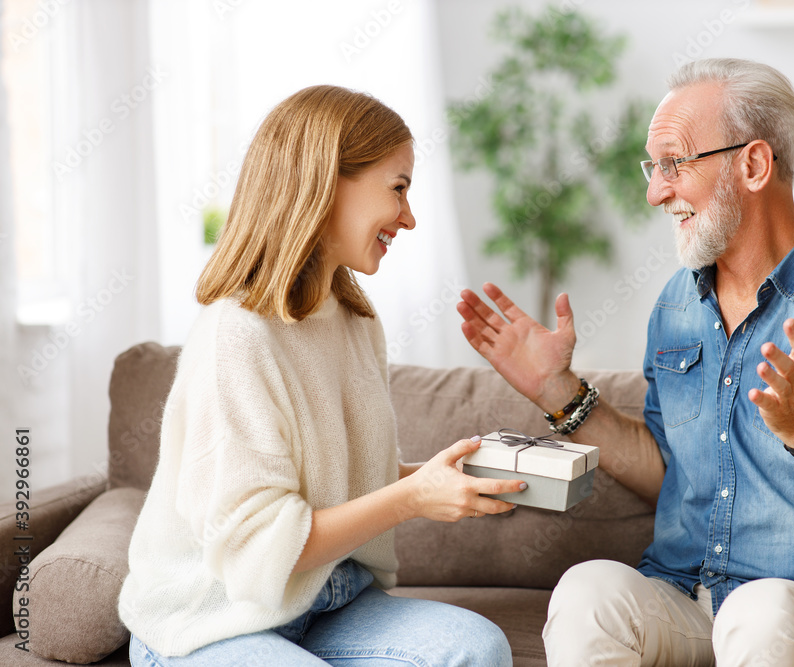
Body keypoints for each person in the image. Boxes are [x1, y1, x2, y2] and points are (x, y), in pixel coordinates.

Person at [458, 58, 794, 666]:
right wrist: (557, 391)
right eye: (652, 167)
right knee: (589, 591)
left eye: (674, 164)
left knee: (760, 612)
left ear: (753, 164)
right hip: (686, 599)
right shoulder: (676, 306)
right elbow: (673, 471)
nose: (655, 191)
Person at [119, 85, 523, 667]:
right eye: (399, 189)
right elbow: (258, 544)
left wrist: (445, 478)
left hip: (327, 601)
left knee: (475, 649)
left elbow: (339, 483)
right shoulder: (237, 335)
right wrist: (412, 498)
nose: (409, 218)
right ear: (328, 181)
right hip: (213, 619)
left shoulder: (355, 320)